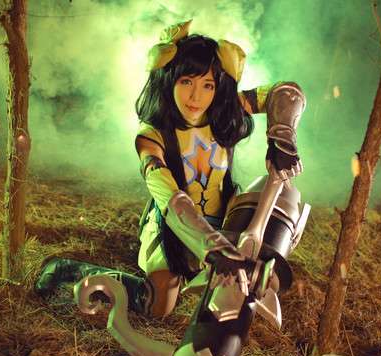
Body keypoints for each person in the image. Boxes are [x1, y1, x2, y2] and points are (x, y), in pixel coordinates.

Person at [35, 20, 305, 318]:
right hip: (173, 225)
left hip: (226, 220)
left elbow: (287, 93)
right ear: (170, 80)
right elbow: (170, 199)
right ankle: (72, 271)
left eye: (207, 85)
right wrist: (213, 248)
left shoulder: (226, 111)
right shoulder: (151, 136)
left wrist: (282, 138)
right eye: (186, 82)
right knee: (158, 306)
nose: (196, 97)